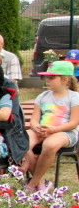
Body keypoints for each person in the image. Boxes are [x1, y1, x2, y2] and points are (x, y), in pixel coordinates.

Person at [21, 61, 79, 191]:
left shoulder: (74, 97)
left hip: (65, 132)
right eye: (47, 77)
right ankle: (42, 184)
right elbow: (34, 120)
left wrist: (53, 130)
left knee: (50, 144)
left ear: (64, 79)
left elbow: (74, 122)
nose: (47, 80)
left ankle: (32, 184)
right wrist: (37, 128)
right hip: (42, 130)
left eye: (52, 77)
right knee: (23, 142)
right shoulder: (42, 96)